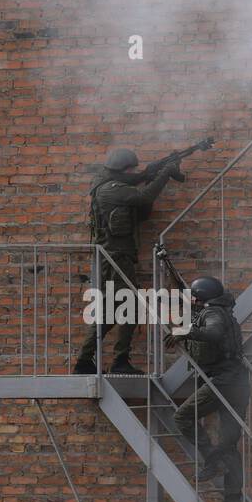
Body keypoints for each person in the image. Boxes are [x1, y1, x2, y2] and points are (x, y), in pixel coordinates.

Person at [73, 147, 181, 376]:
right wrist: (165, 173)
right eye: (132, 169)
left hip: (117, 257)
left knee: (113, 311)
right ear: (122, 170)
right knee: (129, 306)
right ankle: (116, 360)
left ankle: (86, 361)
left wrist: (151, 174)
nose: (135, 172)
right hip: (114, 258)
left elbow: (141, 207)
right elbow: (144, 197)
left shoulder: (112, 187)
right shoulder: (110, 190)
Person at [172, 275, 250, 502]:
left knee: (183, 417)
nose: (192, 300)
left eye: (195, 296)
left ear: (203, 296)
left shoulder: (213, 314)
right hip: (237, 382)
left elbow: (214, 334)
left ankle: (211, 461)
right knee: (228, 444)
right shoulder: (223, 311)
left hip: (223, 381)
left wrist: (184, 331)